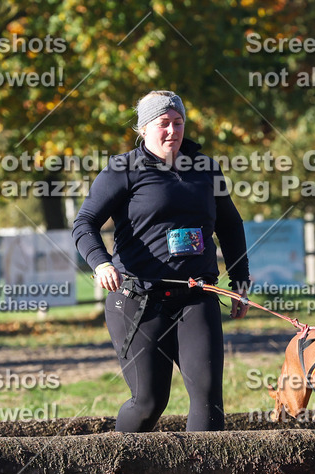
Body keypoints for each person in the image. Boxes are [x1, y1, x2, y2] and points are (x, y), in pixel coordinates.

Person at [72, 90, 250, 432]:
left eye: (178, 123)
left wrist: (240, 281)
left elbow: (230, 225)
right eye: (163, 124)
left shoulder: (205, 170)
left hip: (197, 296)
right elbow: (85, 223)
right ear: (144, 129)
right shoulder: (123, 170)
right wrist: (101, 262)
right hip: (138, 300)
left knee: (209, 401)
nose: (172, 131)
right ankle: (114, 464)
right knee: (150, 401)